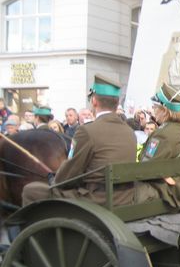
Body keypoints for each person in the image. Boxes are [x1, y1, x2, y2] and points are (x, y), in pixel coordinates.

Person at [22, 75, 136, 206]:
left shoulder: (87, 131)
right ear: (117, 103)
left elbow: (70, 171)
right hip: (124, 197)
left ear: (94, 101)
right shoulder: (129, 132)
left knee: (31, 191)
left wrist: (55, 180)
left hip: (98, 200)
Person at [136, 83, 180, 208]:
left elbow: (146, 165)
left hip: (165, 191)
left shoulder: (161, 134)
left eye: (155, 107)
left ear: (164, 110)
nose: (153, 110)